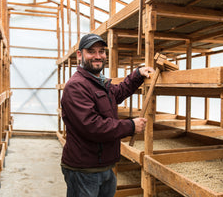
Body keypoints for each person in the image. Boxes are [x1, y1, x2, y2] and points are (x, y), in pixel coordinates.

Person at [61, 33, 154, 197]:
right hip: (84, 170)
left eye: (101, 51)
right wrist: (131, 126)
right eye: (91, 51)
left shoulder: (98, 82)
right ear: (79, 55)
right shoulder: (76, 86)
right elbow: (92, 126)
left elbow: (117, 92)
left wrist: (137, 75)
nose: (98, 56)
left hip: (104, 165)